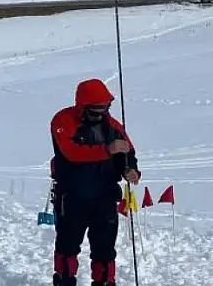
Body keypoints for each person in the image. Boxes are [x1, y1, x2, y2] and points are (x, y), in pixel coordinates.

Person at [50, 78, 140, 286]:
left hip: (105, 197)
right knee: (67, 248)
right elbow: (72, 153)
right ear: (82, 106)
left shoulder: (112, 125)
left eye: (104, 108)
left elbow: (127, 151)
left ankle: (105, 282)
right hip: (72, 197)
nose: (100, 114)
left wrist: (130, 169)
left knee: (105, 251)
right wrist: (107, 149)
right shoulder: (62, 120)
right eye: (95, 110)